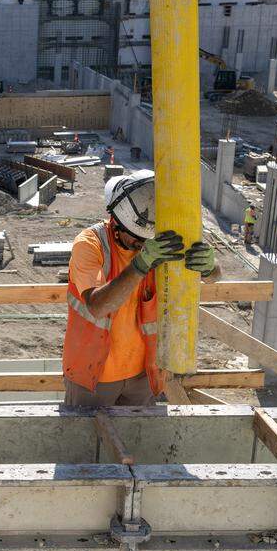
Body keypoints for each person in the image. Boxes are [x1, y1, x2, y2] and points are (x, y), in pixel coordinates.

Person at [63, 170, 222, 407]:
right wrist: (141, 264)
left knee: (138, 439)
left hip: (143, 376)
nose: (141, 245)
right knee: (87, 441)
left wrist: (210, 268)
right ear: (115, 222)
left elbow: (213, 277)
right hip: (92, 374)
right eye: (135, 239)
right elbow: (97, 307)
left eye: (146, 239)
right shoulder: (90, 244)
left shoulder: (155, 244)